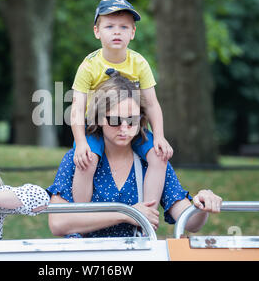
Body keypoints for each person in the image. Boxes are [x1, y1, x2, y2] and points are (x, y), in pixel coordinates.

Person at [48, 74, 222, 238]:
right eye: (115, 121)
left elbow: (190, 222)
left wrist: (202, 205)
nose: (124, 128)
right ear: (99, 118)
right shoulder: (79, 157)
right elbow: (58, 222)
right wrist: (126, 213)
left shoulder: (151, 160)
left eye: (132, 120)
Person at [70, 0, 173, 211]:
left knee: (158, 156)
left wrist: (159, 136)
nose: (117, 32)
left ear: (133, 32)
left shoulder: (139, 63)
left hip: (132, 127)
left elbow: (152, 104)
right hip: (98, 128)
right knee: (87, 160)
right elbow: (78, 109)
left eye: (124, 27)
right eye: (109, 26)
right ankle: (80, 213)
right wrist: (80, 143)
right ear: (97, 31)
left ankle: (147, 212)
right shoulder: (89, 66)